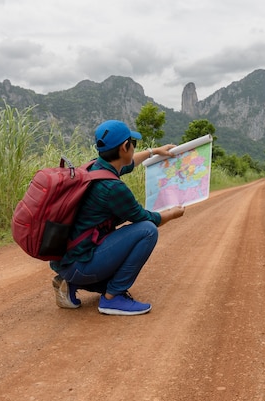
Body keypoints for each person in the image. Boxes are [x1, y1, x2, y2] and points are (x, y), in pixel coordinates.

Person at [50, 119, 186, 316]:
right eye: (133, 144)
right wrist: (172, 213)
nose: (133, 148)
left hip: (67, 261)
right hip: (81, 265)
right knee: (147, 230)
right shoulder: (113, 188)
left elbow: (128, 165)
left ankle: (70, 283)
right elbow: (145, 217)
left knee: (111, 259)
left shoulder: (93, 168)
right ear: (125, 147)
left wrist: (153, 151)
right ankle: (113, 298)